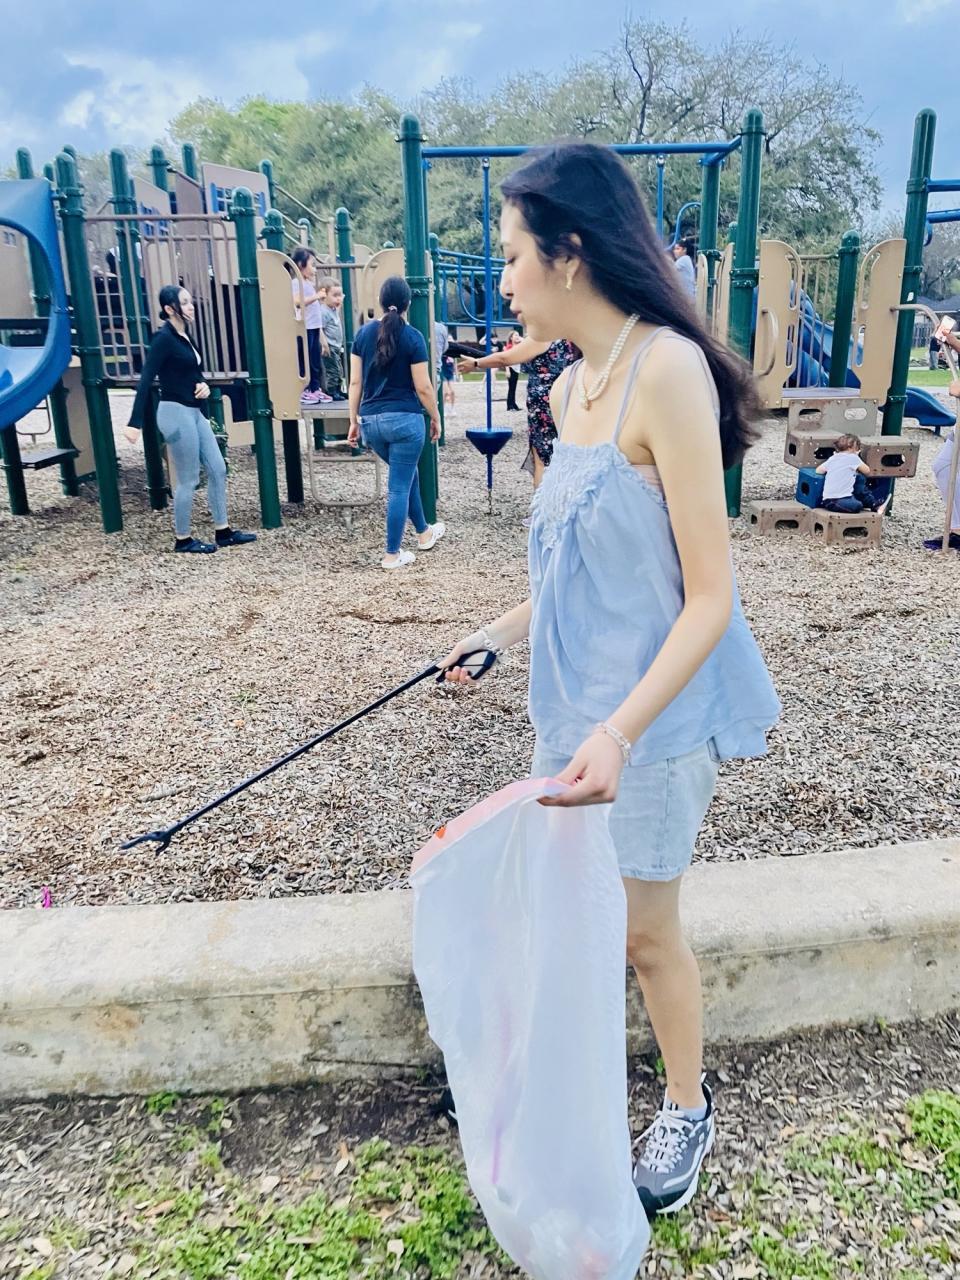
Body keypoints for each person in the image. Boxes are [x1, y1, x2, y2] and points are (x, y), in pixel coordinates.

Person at [439, 142, 780, 1219]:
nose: (502, 281)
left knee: (643, 930)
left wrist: (623, 732)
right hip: (573, 718)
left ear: (570, 253)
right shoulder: (566, 383)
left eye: (511, 255)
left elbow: (709, 597)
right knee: (577, 918)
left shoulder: (665, 371)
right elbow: (577, 573)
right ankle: (573, 1088)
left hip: (654, 726)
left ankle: (686, 1104)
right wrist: (496, 635)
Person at [125, 286, 256, 554]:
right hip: (175, 413)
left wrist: (203, 384)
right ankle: (183, 539)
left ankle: (223, 531)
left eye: (190, 301)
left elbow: (190, 372)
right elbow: (146, 378)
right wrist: (135, 422)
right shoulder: (163, 338)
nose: (191, 306)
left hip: (193, 411)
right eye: (184, 302)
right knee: (188, 478)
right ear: (169, 309)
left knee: (218, 468)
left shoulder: (185, 336)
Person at [347, 276, 445, 569]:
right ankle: (392, 554)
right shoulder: (413, 337)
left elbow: (355, 382)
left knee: (406, 475)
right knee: (399, 487)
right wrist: (436, 416)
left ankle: (424, 533)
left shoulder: (362, 335)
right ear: (408, 304)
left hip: (371, 422)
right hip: (404, 422)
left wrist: (353, 421)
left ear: (380, 301)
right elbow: (423, 387)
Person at [460, 335, 579, 486]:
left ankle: (543, 499)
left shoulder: (543, 338)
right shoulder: (573, 338)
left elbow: (504, 358)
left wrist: (476, 363)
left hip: (544, 403)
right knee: (569, 452)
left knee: (542, 459)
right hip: (570, 397)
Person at [291, 248, 332, 406]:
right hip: (305, 328)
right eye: (312, 265)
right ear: (300, 265)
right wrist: (316, 296)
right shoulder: (296, 283)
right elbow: (297, 302)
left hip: (314, 327)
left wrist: (322, 338)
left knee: (315, 360)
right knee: (305, 358)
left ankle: (315, 388)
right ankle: (305, 389)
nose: (314, 269)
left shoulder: (307, 283)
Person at [816, 434, 889, 514]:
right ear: (852, 448)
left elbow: (818, 470)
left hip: (832, 499)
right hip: (835, 501)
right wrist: (858, 458)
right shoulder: (853, 458)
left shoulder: (833, 458)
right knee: (858, 505)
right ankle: (872, 503)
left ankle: (872, 503)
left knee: (859, 478)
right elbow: (867, 471)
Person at [318, 277, 347, 399]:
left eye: (340, 295)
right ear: (324, 296)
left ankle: (338, 389)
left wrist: (340, 300)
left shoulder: (333, 309)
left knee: (339, 369)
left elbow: (339, 304)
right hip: (329, 346)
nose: (338, 298)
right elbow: (319, 328)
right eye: (335, 295)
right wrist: (324, 344)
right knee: (333, 370)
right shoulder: (323, 311)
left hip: (336, 346)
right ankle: (331, 391)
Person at [505, 328, 522, 411]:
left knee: (514, 387)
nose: (517, 337)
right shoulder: (509, 347)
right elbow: (506, 360)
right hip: (511, 368)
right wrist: (507, 370)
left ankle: (513, 404)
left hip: (516, 368)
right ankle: (510, 405)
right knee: (511, 387)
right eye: (515, 335)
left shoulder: (519, 345)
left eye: (518, 335)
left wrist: (520, 339)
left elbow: (525, 341)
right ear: (511, 338)